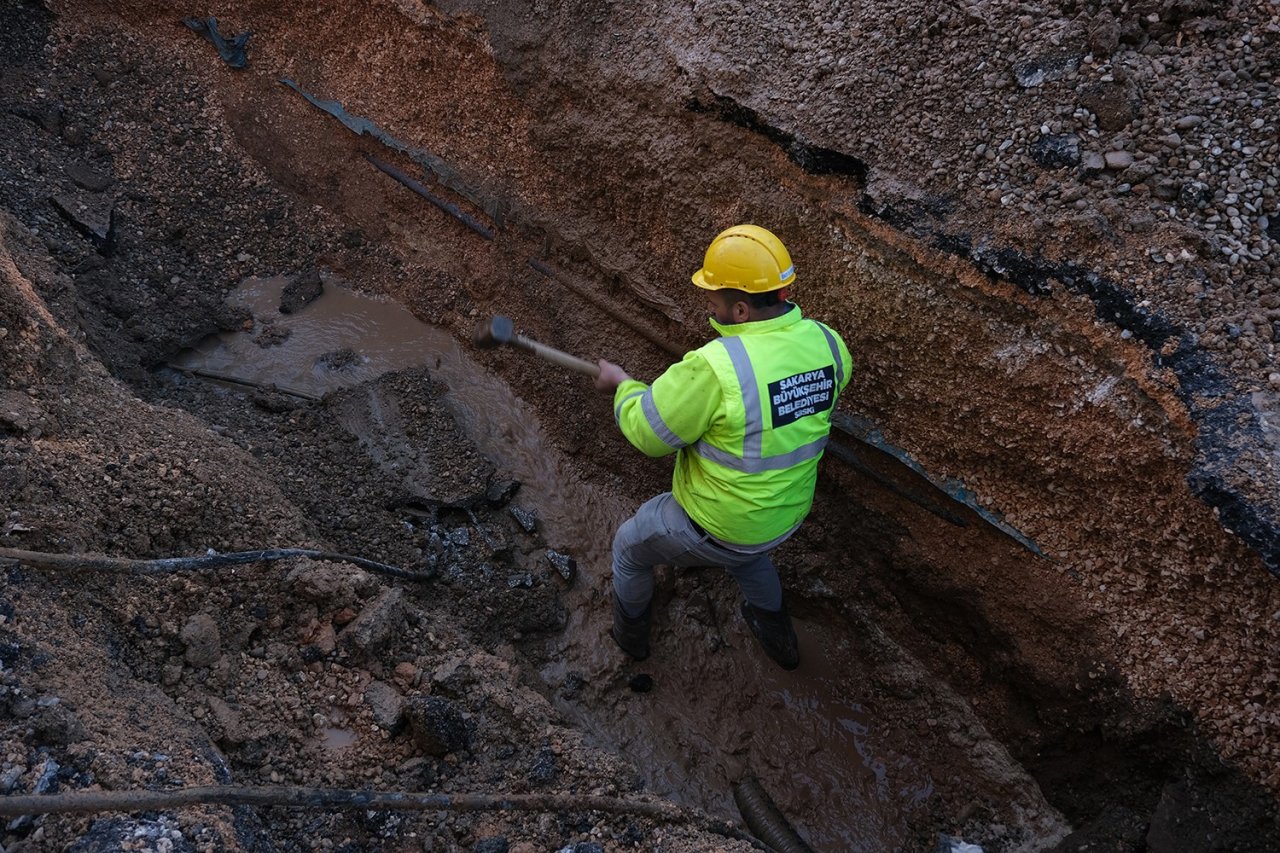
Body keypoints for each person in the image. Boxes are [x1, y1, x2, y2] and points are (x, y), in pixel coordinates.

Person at [594, 224, 851, 670]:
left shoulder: (715, 366)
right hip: (785, 512)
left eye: (712, 303)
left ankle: (630, 639)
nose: (707, 310)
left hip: (720, 523)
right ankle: (780, 641)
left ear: (740, 309)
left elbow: (648, 434)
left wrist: (622, 387)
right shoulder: (828, 343)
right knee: (749, 557)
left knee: (629, 548)